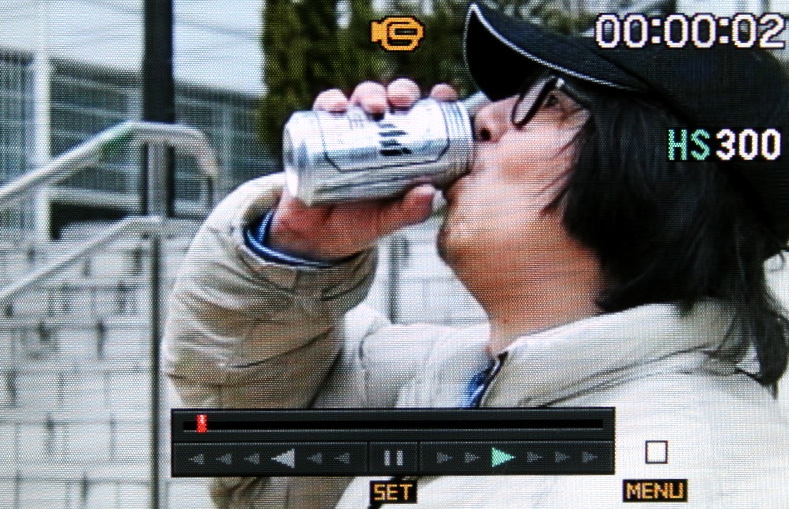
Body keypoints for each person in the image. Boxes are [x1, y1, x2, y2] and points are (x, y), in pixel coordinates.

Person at [163, 3, 789, 507]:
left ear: (656, 172)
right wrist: (297, 248)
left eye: (549, 104)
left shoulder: (689, 472)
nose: (485, 116)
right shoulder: (455, 380)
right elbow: (253, 463)